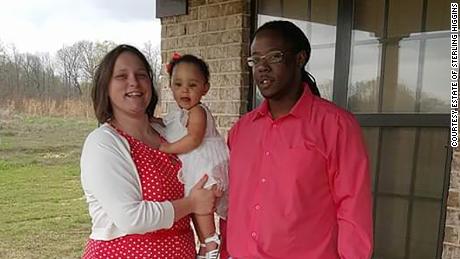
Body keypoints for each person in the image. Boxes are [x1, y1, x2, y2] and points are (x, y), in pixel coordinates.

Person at [225, 20, 373, 258]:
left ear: (299, 59)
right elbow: (232, 203)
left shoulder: (335, 126)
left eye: (273, 57)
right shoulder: (241, 131)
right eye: (255, 59)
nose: (261, 67)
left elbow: (353, 208)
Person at [80, 44, 218, 259]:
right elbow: (131, 218)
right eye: (121, 76)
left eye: (141, 74)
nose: (133, 81)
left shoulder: (169, 134)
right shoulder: (104, 142)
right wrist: (192, 203)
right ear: (105, 86)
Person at [153, 53, 229, 259]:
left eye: (192, 85)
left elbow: (194, 139)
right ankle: (205, 244)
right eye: (178, 84)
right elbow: (168, 125)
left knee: (201, 202)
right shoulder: (179, 113)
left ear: (205, 88)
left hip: (205, 163)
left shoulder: (197, 111)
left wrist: (166, 148)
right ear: (171, 86)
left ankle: (212, 241)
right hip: (196, 163)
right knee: (195, 204)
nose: (184, 90)